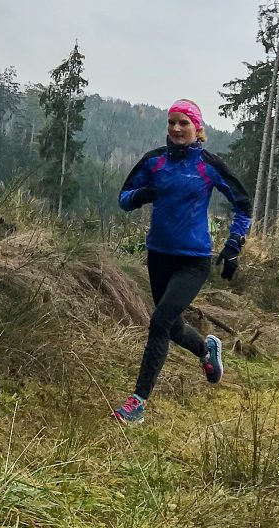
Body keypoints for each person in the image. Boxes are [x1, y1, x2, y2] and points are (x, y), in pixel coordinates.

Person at [111, 99, 251, 425]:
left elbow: (242, 204)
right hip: (158, 256)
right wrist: (141, 196)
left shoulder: (208, 164)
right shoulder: (154, 161)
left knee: (159, 322)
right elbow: (123, 198)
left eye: (183, 123)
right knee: (171, 326)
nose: (176, 128)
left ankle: (137, 403)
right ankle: (206, 351)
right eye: (171, 122)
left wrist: (233, 245)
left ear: (197, 129)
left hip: (193, 261)